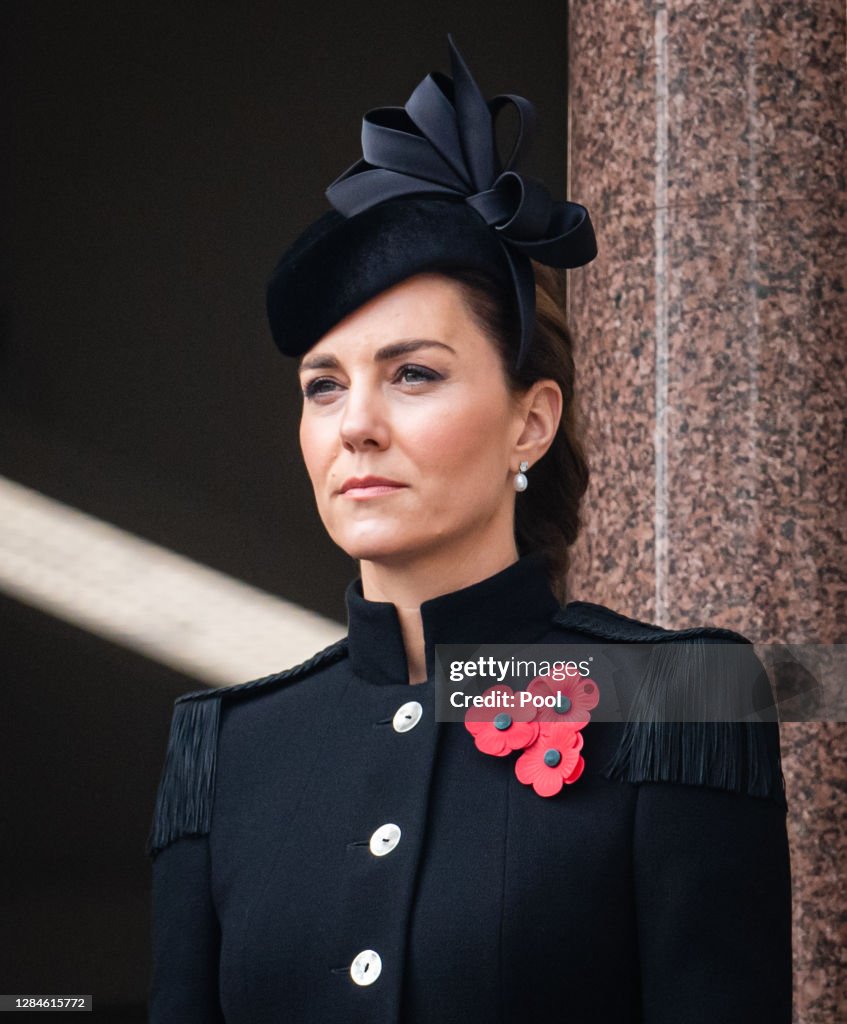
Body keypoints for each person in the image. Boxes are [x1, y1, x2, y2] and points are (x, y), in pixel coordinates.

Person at [146, 34, 792, 1023]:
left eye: (414, 373)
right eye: (323, 387)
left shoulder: (682, 700)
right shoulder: (228, 749)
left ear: (530, 420)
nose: (356, 421)